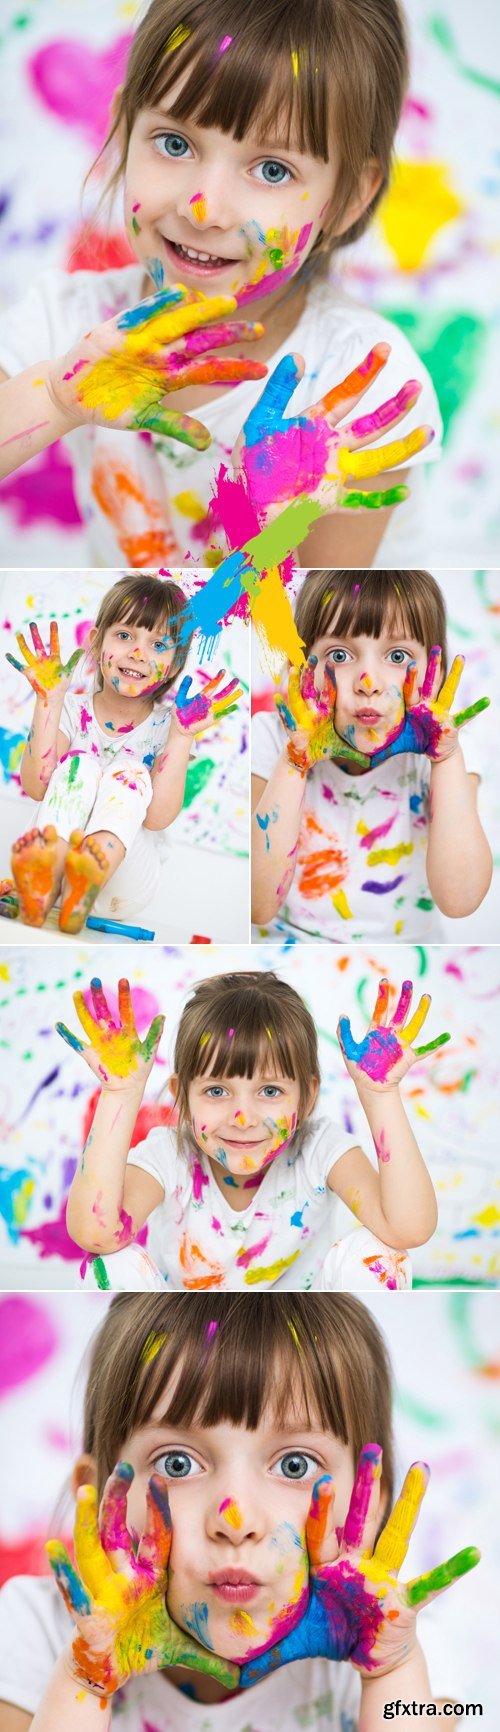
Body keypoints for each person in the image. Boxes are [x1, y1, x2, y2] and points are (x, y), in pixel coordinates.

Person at [0, 0, 442, 570]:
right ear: (123, 131)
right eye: (174, 143)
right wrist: (57, 399)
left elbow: (310, 641)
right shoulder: (70, 318)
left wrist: (281, 512)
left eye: (273, 170)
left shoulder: (361, 387)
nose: (203, 208)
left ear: (349, 196)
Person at [0, 1292, 480, 1727]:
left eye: (295, 1465)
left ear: (369, 1505)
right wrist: (82, 1681)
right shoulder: (36, 1635)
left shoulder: (407, 1655)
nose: (236, 1520)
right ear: (102, 1496)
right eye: (177, 1462)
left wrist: (390, 1671)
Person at [56, 966, 449, 1291]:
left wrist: (381, 1096)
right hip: (181, 1332)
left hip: (296, 1336)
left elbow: (407, 1230)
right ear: (183, 1096)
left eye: (270, 1090)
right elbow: (97, 1233)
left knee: (378, 1258)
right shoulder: (169, 1154)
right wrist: (120, 1094)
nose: (243, 1117)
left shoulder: (319, 1150)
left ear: (306, 1096)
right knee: (109, 1267)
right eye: (216, 1090)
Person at [252, 569, 492, 941]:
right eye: (339, 654)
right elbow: (257, 904)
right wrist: (294, 764)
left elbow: (460, 900)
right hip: (288, 944)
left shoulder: (445, 756)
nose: (368, 682)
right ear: (298, 668)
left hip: (405, 950)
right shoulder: (272, 740)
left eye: (397, 656)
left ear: (436, 673)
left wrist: (445, 759)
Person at [0, 573, 239, 932]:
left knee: (130, 770)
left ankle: (90, 873)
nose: (138, 653)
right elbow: (37, 787)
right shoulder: (70, 708)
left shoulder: (168, 726)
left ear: (175, 664)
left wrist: (181, 737)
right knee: (79, 765)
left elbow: (157, 819)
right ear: (96, 643)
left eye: (158, 645)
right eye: (125, 636)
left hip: (124, 884)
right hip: (55, 859)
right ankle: (50, 886)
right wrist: (49, 702)